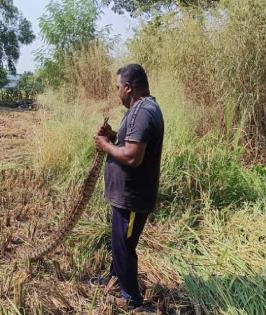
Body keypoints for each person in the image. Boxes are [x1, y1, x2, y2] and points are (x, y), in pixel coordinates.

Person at [93, 64, 164, 310]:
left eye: (118, 88)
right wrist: (113, 136)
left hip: (133, 196)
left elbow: (133, 157)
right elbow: (128, 143)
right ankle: (115, 279)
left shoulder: (143, 112)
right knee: (119, 243)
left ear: (128, 87)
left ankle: (131, 296)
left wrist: (104, 146)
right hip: (125, 195)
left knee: (124, 244)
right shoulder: (139, 109)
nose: (117, 93)